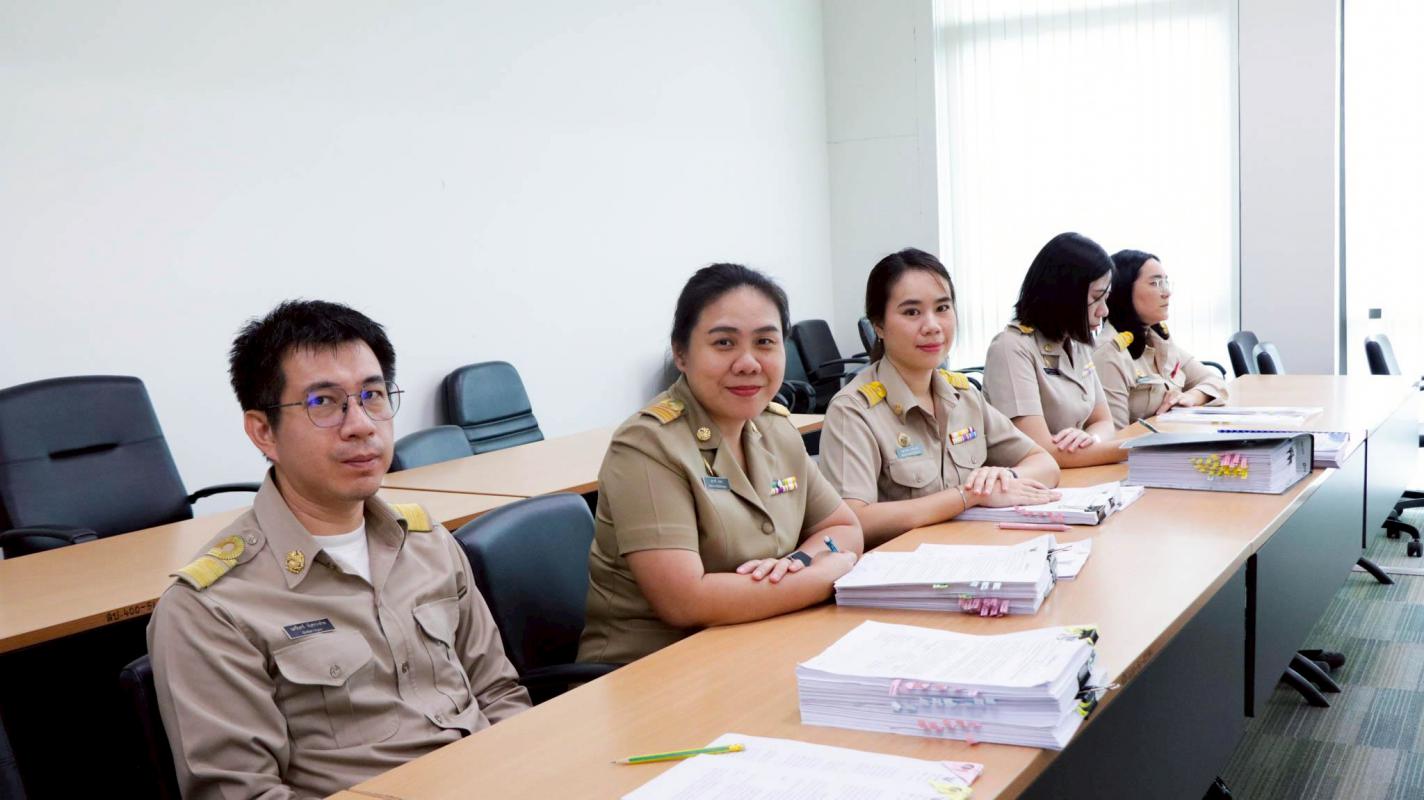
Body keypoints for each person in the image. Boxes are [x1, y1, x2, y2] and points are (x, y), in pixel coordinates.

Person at [148, 300, 530, 798]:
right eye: (324, 402)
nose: (361, 424)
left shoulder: (428, 543)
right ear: (263, 431)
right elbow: (245, 793)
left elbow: (499, 694)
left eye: (373, 395)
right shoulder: (212, 607)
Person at [578, 263, 864, 666]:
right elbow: (684, 601)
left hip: (758, 645)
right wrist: (821, 576)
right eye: (724, 343)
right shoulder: (647, 446)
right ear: (681, 354)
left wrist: (796, 563)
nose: (748, 362)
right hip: (653, 670)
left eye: (765, 342)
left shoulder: (775, 428)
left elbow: (844, 528)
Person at [819, 248, 1061, 546]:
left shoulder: (963, 395)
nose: (933, 326)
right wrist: (966, 497)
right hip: (904, 564)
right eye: (912, 312)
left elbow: (1045, 463)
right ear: (878, 325)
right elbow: (855, 520)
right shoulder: (853, 410)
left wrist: (1003, 479)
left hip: (974, 549)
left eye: (943, 308)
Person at [983, 232, 1127, 468]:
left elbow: (1103, 422)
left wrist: (1092, 439)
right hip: (1032, 482)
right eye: (1096, 298)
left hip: (1077, 474)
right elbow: (1042, 451)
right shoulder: (1011, 348)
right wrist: (1135, 450)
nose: (1104, 311)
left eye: (1106, 298)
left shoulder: (1076, 343)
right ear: (1064, 293)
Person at [1093, 249, 1228, 427]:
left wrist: (1190, 397)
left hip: (1173, 437)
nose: (1167, 292)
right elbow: (1115, 435)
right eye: (1155, 283)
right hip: (1145, 444)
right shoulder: (1109, 353)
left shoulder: (1157, 338)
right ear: (1124, 290)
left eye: (1165, 282)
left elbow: (1216, 381)